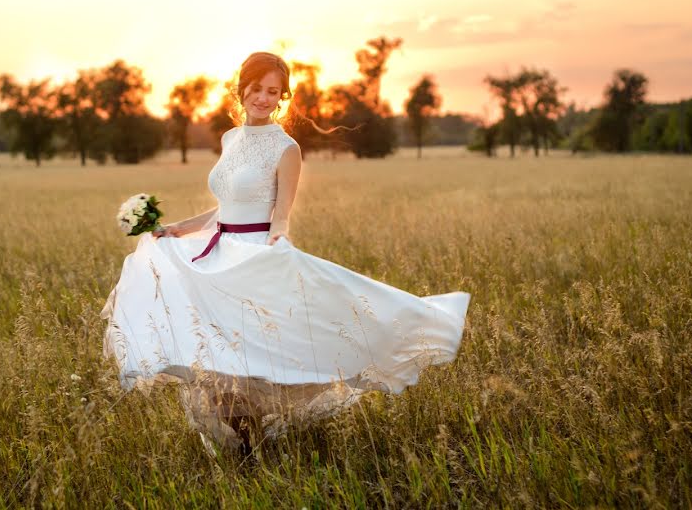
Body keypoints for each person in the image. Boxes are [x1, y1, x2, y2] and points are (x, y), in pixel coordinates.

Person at [101, 51, 469, 458]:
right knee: (216, 357)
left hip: (255, 258)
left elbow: (281, 215)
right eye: (256, 88)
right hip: (217, 255)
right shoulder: (229, 139)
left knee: (251, 360)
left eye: (272, 91)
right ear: (241, 88)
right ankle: (246, 446)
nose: (262, 97)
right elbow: (225, 207)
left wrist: (277, 242)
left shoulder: (286, 148)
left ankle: (251, 448)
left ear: (282, 97)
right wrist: (178, 229)